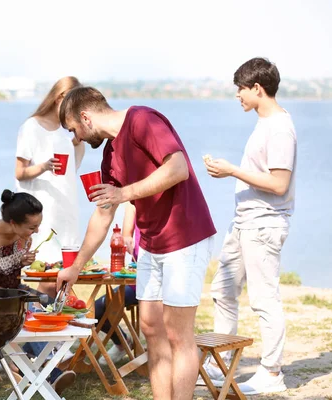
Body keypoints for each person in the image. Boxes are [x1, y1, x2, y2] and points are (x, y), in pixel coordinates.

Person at [56, 87, 216, 400]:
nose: (75, 138)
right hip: (152, 245)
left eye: (73, 129)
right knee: (151, 329)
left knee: (177, 334)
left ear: (85, 117)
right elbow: (103, 216)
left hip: (185, 237)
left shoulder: (142, 119)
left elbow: (178, 168)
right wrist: (74, 267)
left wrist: (124, 193)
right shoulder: (110, 154)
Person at [201, 58, 296, 395]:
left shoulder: (280, 128)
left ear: (257, 88)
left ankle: (272, 373)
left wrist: (232, 171)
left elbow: (279, 184)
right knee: (223, 290)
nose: (238, 95)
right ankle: (221, 365)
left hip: (264, 224)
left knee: (263, 298)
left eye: (241, 89)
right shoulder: (264, 123)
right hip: (244, 222)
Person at [0, 189, 77, 395]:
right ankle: (50, 367)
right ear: (13, 222)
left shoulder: (24, 237)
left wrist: (21, 261)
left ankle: (51, 360)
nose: (37, 231)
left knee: (49, 303)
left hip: (11, 291)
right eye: (32, 227)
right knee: (27, 308)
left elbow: (10, 270)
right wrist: (9, 295)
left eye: (38, 225)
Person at [15, 76, 85, 298]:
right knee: (47, 276)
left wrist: (78, 141)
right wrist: (44, 166)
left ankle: (58, 327)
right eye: (73, 104)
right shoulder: (31, 127)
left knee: (66, 276)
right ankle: (38, 323)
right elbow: (20, 172)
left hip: (66, 210)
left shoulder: (66, 132)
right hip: (43, 212)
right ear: (60, 98)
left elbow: (69, 172)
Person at [94, 203, 140, 365]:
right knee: (96, 309)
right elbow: (127, 233)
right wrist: (126, 239)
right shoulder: (133, 202)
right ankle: (122, 342)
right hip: (135, 280)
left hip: (158, 281)